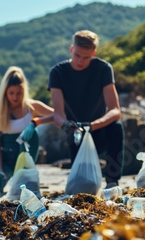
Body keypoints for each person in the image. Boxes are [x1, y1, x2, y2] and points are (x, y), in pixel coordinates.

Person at [48, 30, 124, 189]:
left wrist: (92, 125)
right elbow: (58, 114)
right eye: (77, 55)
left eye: (86, 57)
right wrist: (66, 124)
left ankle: (112, 181)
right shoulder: (57, 73)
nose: (80, 61)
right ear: (71, 49)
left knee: (116, 127)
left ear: (94, 53)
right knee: (83, 183)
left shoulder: (104, 69)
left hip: (100, 129)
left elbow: (115, 110)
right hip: (76, 133)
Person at [0, 66, 53, 197]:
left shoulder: (31, 106)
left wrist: (36, 122)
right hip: (6, 157)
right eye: (11, 93)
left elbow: (58, 116)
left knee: (21, 191)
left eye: (19, 93)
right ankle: (2, 173)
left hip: (26, 155)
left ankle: (25, 174)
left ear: (24, 91)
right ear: (5, 92)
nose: (15, 97)